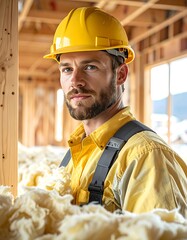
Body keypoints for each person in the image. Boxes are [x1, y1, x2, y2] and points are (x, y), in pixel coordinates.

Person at [44, 6, 187, 215]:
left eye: (90, 67)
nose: (75, 81)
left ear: (120, 75)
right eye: (67, 69)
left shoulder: (146, 157)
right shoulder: (76, 153)